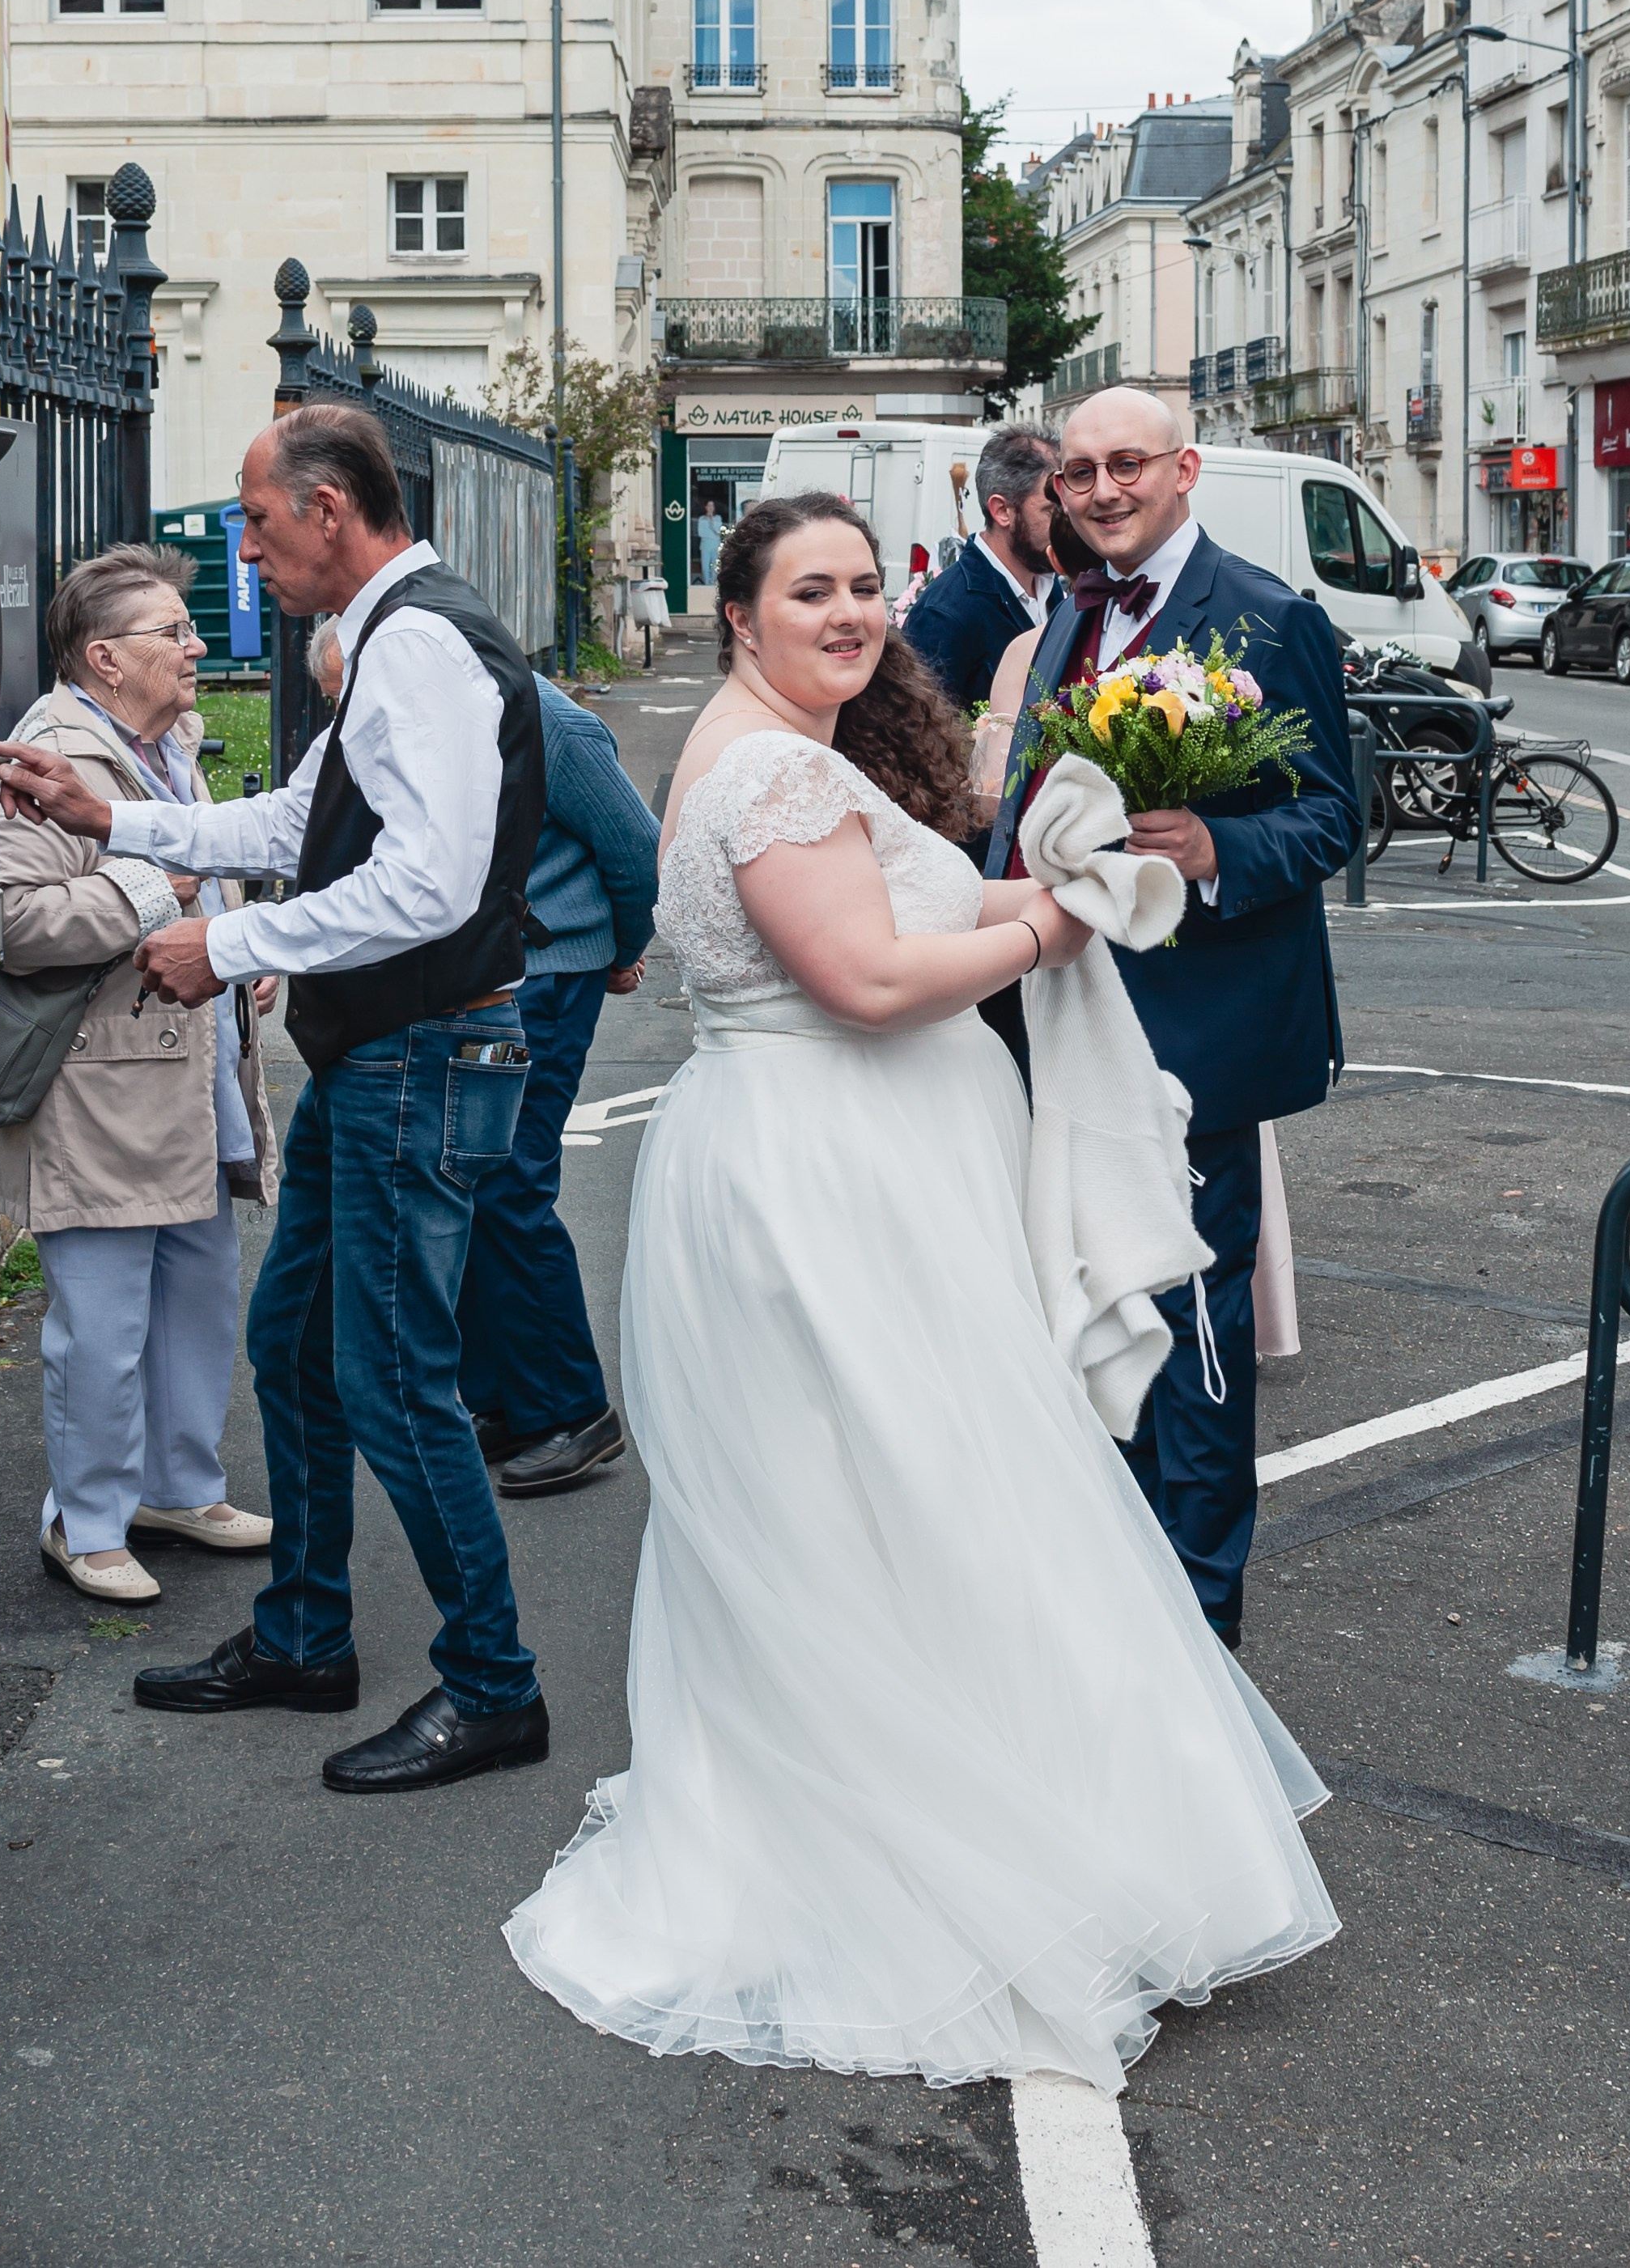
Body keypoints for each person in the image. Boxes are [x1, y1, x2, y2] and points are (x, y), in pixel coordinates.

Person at [505, 490, 1335, 2091]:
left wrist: (1028, 898)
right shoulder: (759, 770)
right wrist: (1045, 917)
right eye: (809, 588)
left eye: (867, 585)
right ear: (736, 612)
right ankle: (930, 1848)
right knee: (902, 1494)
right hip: (829, 1181)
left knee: (876, 1499)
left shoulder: (781, 751)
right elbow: (871, 981)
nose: (850, 611)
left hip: (839, 1161)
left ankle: (925, 1797)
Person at [0, 405, 550, 1797]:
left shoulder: (413, 644)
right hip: (384, 1058)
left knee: (395, 1383)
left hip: (423, 1055)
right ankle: (305, 1635)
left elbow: (427, 882)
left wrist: (224, 943)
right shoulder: (387, 640)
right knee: (295, 1351)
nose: (241, 548)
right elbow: (298, 826)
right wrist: (107, 818)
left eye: (253, 517)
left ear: (330, 510)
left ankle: (493, 1684)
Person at [983, 386, 1359, 1647]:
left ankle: (1200, 1642)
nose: (1097, 489)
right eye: (1077, 471)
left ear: (1183, 469)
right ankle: (1119, 1618)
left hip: (1200, 1035)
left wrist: (1210, 844)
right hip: (1066, 1025)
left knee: (1196, 1342)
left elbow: (1331, 818)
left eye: (1124, 464)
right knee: (1097, 1326)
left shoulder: (1265, 614)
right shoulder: (1064, 615)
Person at [0, 546, 278, 1604]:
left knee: (200, 1291)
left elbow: (209, 872)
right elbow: (16, 926)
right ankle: (86, 1516)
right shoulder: (45, 753)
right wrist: (159, 889)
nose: (197, 645)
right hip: (102, 1082)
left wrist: (244, 942)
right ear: (105, 656)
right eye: (172, 630)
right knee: (101, 1321)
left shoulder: (167, 740)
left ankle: (179, 1484)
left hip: (195, 1070)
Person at [461, 673, 660, 1496]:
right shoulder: (430, 689)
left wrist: (621, 946)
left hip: (546, 973)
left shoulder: (547, 715)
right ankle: (512, 1398)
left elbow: (634, 847)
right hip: (489, 972)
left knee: (509, 1183)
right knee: (474, 1181)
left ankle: (573, 1413)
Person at [902, 421, 1060, 712]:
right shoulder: (946, 614)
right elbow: (919, 734)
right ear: (1002, 511)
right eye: (1052, 511)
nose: (1068, 523)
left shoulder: (1052, 588)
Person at [694, 502, 724, 588]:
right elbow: (701, 533)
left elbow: (718, 531)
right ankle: (707, 583)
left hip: (715, 544)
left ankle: (713, 584)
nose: (710, 507)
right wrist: (712, 533)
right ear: (706, 507)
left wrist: (711, 521)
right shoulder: (702, 519)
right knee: (705, 566)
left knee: (714, 566)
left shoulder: (718, 518)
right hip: (705, 544)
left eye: (712, 506)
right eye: (709, 505)